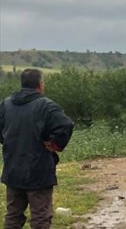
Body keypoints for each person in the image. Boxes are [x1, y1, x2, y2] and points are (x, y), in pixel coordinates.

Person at [0, 68, 74, 229]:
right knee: (40, 217)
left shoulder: (6, 104)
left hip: (12, 169)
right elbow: (66, 124)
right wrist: (54, 145)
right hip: (38, 171)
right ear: (40, 85)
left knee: (13, 216)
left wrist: (9, 143)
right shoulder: (45, 105)